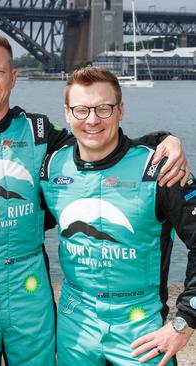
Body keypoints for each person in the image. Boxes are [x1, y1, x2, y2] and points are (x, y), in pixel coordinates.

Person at [0, 32, 190, 366]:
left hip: (30, 287)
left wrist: (163, 140)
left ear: (14, 78)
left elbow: (99, 142)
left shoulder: (41, 133)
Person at [40, 66, 196, 366]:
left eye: (104, 108)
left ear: (120, 110)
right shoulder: (51, 167)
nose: (92, 119)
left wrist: (184, 322)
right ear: (67, 114)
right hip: (75, 329)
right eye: (82, 109)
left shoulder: (160, 169)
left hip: (142, 331)